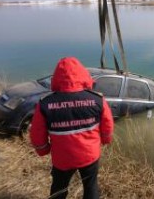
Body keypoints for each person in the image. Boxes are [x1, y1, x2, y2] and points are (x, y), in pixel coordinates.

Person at [30, 57, 114, 199]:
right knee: (91, 187)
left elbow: (37, 133)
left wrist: (43, 150)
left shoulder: (45, 103)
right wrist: (106, 140)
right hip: (89, 155)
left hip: (62, 158)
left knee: (59, 188)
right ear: (83, 74)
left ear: (56, 77)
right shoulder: (97, 99)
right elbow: (108, 125)